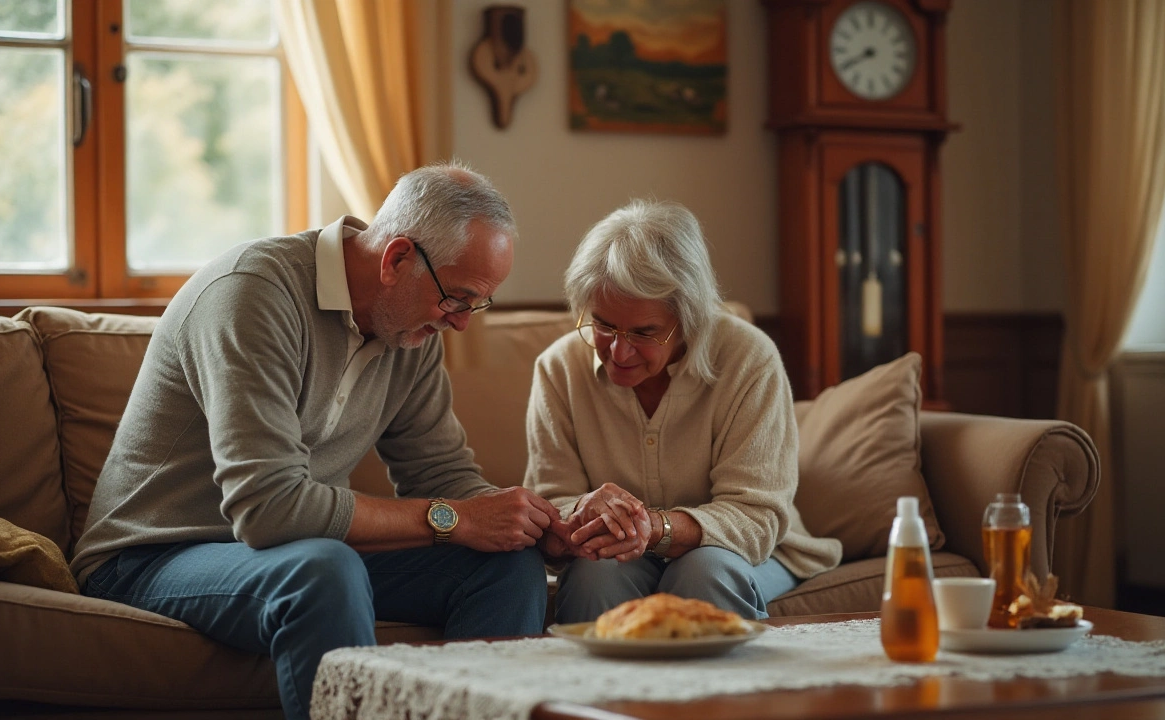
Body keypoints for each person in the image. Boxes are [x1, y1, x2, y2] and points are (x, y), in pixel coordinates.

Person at [71, 161, 568, 720]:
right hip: (154, 553)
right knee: (323, 570)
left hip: (295, 549)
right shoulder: (254, 295)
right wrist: (454, 519)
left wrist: (534, 524)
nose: (461, 324)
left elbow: (444, 476)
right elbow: (269, 509)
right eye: (457, 299)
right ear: (398, 258)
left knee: (506, 566)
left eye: (476, 305)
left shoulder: (411, 330)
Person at [524, 199, 843, 623]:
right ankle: (591, 690)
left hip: (744, 553)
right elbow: (551, 501)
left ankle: (721, 693)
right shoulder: (558, 369)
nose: (618, 351)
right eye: (602, 324)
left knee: (703, 571)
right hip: (616, 556)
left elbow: (755, 515)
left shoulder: (749, 359)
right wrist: (582, 515)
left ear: (689, 318)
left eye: (644, 331)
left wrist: (655, 528)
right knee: (594, 574)